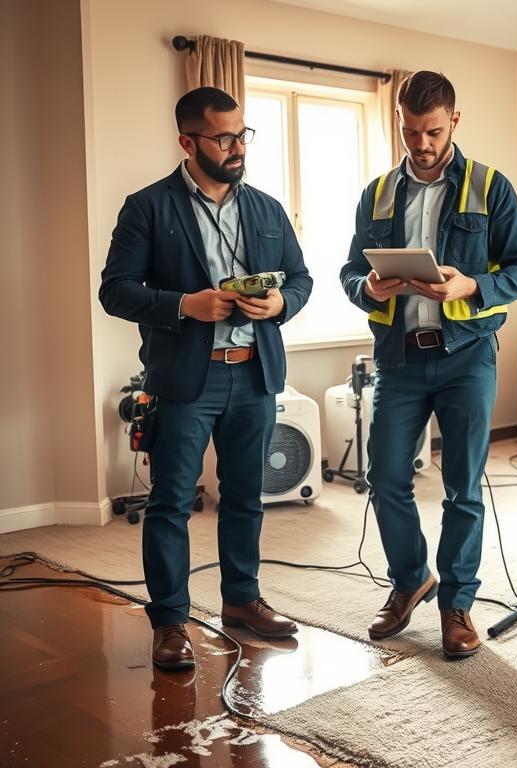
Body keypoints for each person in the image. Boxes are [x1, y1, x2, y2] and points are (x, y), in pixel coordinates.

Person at [100, 86, 313, 669]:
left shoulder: (267, 207)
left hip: (256, 376)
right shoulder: (146, 207)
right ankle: (170, 620)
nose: (237, 147)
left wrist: (280, 305)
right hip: (185, 381)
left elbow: (300, 278)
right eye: (223, 138)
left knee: (246, 497)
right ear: (187, 142)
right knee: (172, 502)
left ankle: (242, 601)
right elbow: (114, 291)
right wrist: (182, 305)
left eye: (242, 135)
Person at [340, 71, 517, 657]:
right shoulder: (376, 194)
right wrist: (367, 290)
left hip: (467, 356)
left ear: (454, 120)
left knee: (461, 485)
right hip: (400, 358)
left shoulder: (491, 187)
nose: (420, 144)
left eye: (431, 131)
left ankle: (457, 605)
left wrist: (473, 286)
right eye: (409, 132)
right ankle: (411, 581)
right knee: (385, 477)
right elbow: (351, 271)